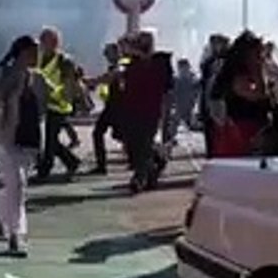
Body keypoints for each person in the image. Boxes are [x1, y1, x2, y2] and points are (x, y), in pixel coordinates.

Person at [0, 35, 45, 258]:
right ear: (22, 53)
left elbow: (44, 105)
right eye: (33, 52)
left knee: (14, 185)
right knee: (19, 183)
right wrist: (3, 91)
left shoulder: (37, 78)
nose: (37, 56)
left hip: (29, 137)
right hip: (6, 135)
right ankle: (16, 235)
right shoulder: (4, 73)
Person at [119, 31, 173, 192]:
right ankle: (156, 164)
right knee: (133, 145)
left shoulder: (160, 63)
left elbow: (167, 90)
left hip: (150, 110)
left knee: (144, 144)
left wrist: (167, 112)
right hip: (131, 110)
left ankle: (139, 178)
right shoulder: (132, 64)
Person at [210, 31, 273, 158]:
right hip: (243, 132)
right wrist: (258, 70)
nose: (261, 56)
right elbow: (260, 94)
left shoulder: (246, 75)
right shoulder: (238, 78)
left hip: (252, 131)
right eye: (257, 53)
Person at [33, 27, 81, 182]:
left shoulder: (64, 61)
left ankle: (44, 171)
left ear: (54, 43)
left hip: (60, 105)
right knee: (51, 139)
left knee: (50, 140)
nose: (41, 44)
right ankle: (72, 161)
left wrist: (57, 95)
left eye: (44, 41)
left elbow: (70, 85)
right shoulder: (39, 58)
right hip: (46, 104)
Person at [87, 42, 125, 175]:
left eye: (108, 53)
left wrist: (92, 81)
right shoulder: (115, 67)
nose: (106, 56)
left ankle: (152, 155)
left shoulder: (121, 66)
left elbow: (110, 78)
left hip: (119, 107)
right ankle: (101, 166)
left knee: (124, 136)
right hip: (112, 106)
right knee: (99, 133)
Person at [199, 33, 230, 158]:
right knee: (210, 135)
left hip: (220, 102)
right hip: (209, 101)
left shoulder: (227, 61)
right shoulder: (209, 62)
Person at [171, 58, 200, 139]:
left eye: (185, 67)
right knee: (175, 122)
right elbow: (173, 92)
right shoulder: (177, 79)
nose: (183, 69)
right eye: (181, 67)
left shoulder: (192, 78)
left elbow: (197, 91)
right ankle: (170, 138)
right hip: (181, 105)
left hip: (188, 105)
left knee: (187, 122)